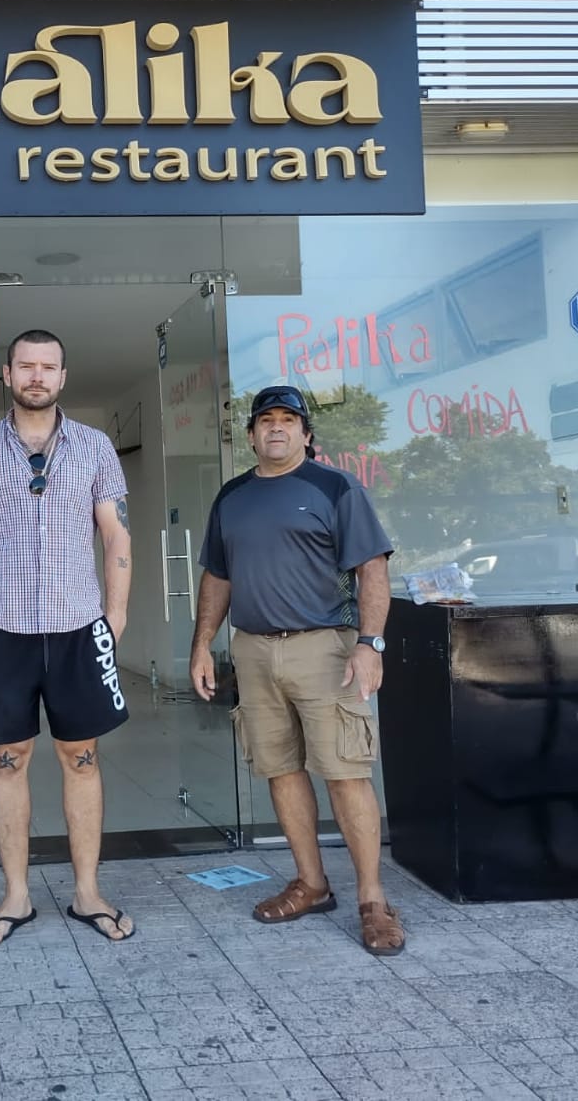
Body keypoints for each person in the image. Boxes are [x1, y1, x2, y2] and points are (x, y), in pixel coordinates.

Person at [189, 384, 405, 956]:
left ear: (307, 434)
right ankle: (311, 883)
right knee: (281, 770)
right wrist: (202, 644)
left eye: (289, 420)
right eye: (267, 421)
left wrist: (370, 644)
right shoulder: (232, 497)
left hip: (325, 648)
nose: (277, 428)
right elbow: (218, 576)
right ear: (252, 435)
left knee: (344, 773)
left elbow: (372, 570)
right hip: (254, 651)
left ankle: (373, 900)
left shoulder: (335, 488)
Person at [0, 329, 136, 945]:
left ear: (62, 377)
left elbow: (116, 534)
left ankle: (88, 893)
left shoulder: (94, 446)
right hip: (1, 630)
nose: (36, 376)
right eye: (25, 366)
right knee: (9, 759)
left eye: (47, 367)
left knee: (81, 758)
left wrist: (115, 615)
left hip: (79, 627)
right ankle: (16, 896)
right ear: (7, 375)